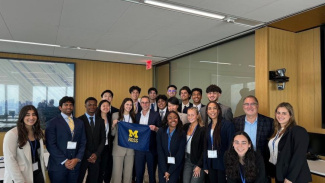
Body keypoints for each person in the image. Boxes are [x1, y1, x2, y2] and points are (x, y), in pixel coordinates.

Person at [46, 96, 86, 183]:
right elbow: (51, 145)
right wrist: (65, 161)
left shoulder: (79, 123)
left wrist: (77, 159)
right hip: (58, 166)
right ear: (60, 107)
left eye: (71, 105)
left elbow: (83, 142)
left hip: (75, 165)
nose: (69, 107)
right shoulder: (52, 123)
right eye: (66, 105)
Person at [268, 102, 311, 183]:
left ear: (290, 115)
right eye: (278, 113)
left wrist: (290, 178)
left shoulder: (298, 131)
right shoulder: (276, 131)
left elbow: (299, 157)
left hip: (294, 178)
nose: (280, 116)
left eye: (284, 113)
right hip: (280, 174)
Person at [3, 105, 46, 183]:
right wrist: (20, 180)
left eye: (34, 114)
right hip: (22, 175)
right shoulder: (12, 134)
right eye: (27, 115)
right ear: (22, 117)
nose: (31, 117)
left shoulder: (37, 131)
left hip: (38, 173)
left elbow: (39, 154)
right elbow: (10, 160)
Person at [232, 95, 273, 165]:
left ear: (257, 106)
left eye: (252, 104)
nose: (249, 107)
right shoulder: (235, 122)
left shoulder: (269, 122)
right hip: (241, 161)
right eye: (246, 104)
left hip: (262, 162)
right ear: (243, 107)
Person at [203, 101, 235, 183]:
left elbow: (231, 145)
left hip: (223, 163)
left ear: (219, 111)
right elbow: (205, 146)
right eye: (209, 109)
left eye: (214, 108)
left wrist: (229, 164)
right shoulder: (208, 126)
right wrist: (205, 165)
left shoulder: (228, 125)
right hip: (211, 163)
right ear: (207, 112)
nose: (212, 111)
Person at [77, 97, 106, 183]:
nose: (92, 107)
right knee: (79, 178)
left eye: (94, 105)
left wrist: (96, 154)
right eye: (90, 105)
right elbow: (78, 140)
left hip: (96, 157)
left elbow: (103, 139)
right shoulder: (79, 121)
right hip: (82, 156)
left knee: (93, 179)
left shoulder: (100, 121)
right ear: (85, 106)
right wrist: (88, 154)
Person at [134, 96, 161, 183]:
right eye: (143, 102)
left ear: (149, 104)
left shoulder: (156, 114)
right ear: (140, 104)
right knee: (139, 173)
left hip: (151, 148)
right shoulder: (137, 115)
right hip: (139, 149)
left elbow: (161, 131)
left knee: (152, 173)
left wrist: (156, 128)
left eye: (146, 102)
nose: (145, 104)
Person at [111, 98, 136, 183]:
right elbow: (112, 134)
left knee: (128, 174)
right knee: (117, 173)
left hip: (130, 148)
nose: (129, 106)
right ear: (123, 105)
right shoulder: (115, 115)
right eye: (127, 104)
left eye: (130, 105)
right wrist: (113, 125)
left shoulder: (134, 116)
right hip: (118, 148)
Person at [157, 111, 186, 183]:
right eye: (170, 118)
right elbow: (160, 151)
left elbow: (180, 154)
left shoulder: (182, 133)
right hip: (163, 163)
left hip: (176, 165)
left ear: (178, 119)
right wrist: (165, 171)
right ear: (166, 120)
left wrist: (169, 172)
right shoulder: (161, 131)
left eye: (175, 118)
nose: (173, 120)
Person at [183, 107, 206, 183]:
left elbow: (205, 150)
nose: (190, 117)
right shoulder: (185, 127)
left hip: (198, 161)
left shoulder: (202, 129)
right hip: (187, 160)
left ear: (198, 115)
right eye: (188, 115)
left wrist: (199, 166)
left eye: (192, 115)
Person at [97, 100, 114, 183]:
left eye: (107, 106)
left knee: (105, 167)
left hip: (107, 147)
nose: (106, 107)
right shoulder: (96, 118)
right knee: (97, 168)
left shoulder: (110, 118)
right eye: (103, 105)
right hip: (97, 148)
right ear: (100, 107)